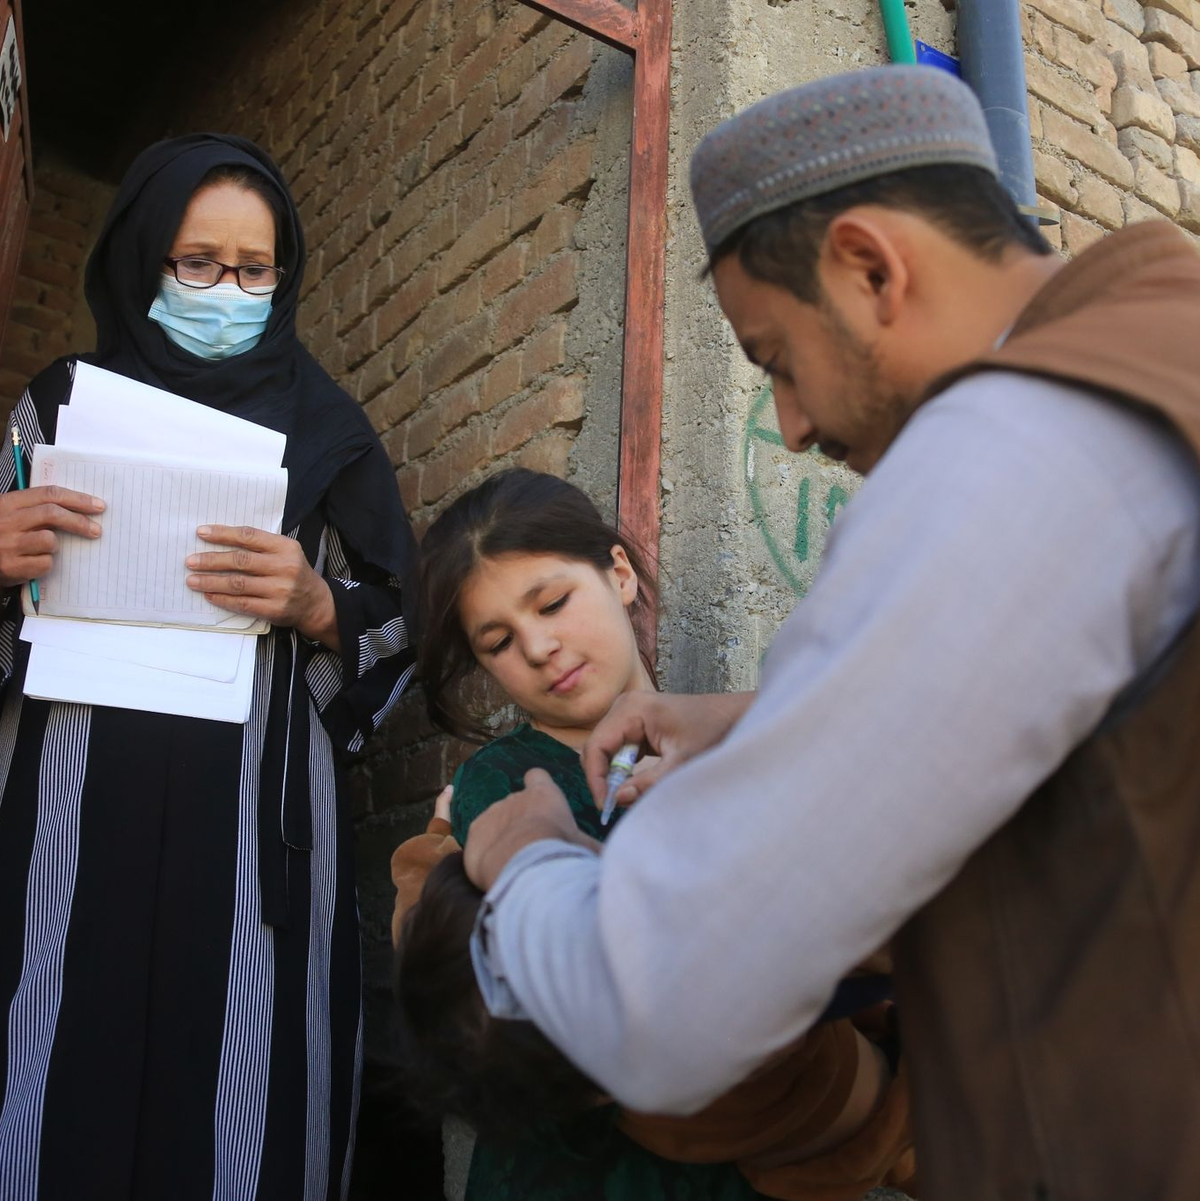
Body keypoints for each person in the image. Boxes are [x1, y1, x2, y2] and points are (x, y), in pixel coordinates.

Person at [458, 66, 1200, 1201]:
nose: (794, 428)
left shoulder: (1012, 447)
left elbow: (667, 996)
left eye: (776, 361)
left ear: (869, 266)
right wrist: (772, 725)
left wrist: (529, 865)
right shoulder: (1161, 355)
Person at [0, 135, 419, 1199]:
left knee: (243, 1101)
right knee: (43, 1081)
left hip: (252, 837)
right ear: (146, 259)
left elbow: (407, 627)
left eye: (254, 268)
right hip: (62, 816)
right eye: (198, 263)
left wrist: (321, 604)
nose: (227, 291)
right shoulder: (55, 407)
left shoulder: (331, 439)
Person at [391, 468, 913, 1200]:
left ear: (620, 573)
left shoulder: (740, 747)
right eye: (499, 641)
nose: (540, 646)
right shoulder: (508, 790)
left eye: (553, 602)